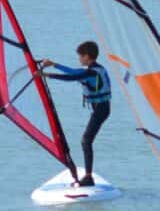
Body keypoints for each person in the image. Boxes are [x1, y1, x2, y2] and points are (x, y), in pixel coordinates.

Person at [36, 40, 112, 186]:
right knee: (86, 140)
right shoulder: (96, 68)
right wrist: (54, 64)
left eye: (80, 56)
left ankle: (89, 177)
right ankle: (88, 175)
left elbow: (72, 77)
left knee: (86, 140)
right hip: (101, 109)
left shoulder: (91, 73)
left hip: (101, 110)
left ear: (87, 56)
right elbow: (74, 72)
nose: (79, 59)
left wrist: (46, 75)